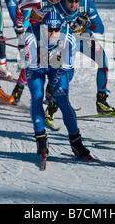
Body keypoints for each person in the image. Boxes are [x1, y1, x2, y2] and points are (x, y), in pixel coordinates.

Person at [24, 10, 93, 161]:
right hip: (37, 68)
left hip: (57, 67)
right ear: (44, 27)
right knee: (37, 97)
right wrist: (46, 58)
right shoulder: (31, 34)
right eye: (50, 30)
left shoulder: (68, 36)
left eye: (57, 29)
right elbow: (32, 65)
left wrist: (54, 59)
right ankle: (41, 139)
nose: (53, 33)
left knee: (62, 100)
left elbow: (67, 65)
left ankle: (76, 142)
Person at [55, 0, 115, 116]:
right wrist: (65, 28)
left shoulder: (87, 3)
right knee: (68, 73)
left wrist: (87, 23)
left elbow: (100, 28)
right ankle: (53, 103)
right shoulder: (57, 8)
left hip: (84, 37)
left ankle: (101, 102)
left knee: (103, 62)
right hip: (67, 39)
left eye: (76, 1)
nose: (74, 4)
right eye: (70, 1)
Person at [11, 0, 68, 105]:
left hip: (55, 28)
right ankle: (18, 89)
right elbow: (19, 6)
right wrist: (19, 27)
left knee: (59, 57)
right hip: (38, 26)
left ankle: (50, 93)